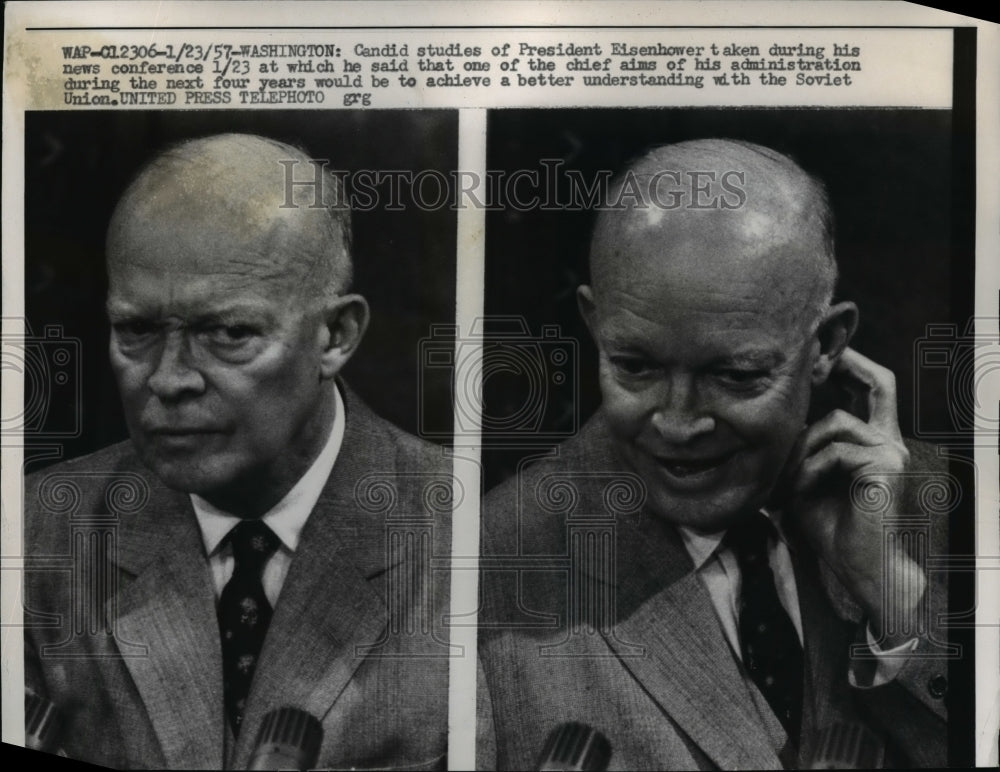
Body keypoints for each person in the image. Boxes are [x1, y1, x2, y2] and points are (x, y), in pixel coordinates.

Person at [477, 139, 950, 769]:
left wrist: (891, 599)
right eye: (635, 366)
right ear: (595, 324)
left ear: (828, 343)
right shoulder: (485, 567)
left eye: (735, 375)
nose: (677, 424)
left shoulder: (953, 510)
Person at [23, 133, 452, 769]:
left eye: (228, 332)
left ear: (335, 335)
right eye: (136, 330)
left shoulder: (472, 537)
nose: (169, 379)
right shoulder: (31, 535)